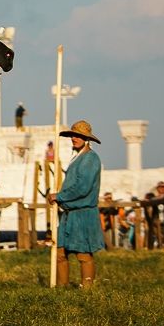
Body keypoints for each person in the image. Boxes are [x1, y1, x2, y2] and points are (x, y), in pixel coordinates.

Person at [48, 120, 104, 287]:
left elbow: (83, 187)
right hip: (69, 213)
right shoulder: (76, 158)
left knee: (83, 254)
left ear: (86, 138)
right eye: (73, 135)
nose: (74, 138)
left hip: (83, 213)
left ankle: (87, 291)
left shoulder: (91, 158)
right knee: (59, 252)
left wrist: (60, 196)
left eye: (79, 135)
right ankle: (61, 289)